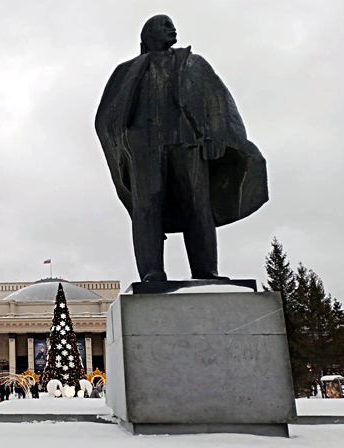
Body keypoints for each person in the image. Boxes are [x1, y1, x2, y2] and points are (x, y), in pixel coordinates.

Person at [95, 15, 268, 282]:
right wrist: (126, 143)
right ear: (147, 35)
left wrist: (218, 135)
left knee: (198, 206)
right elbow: (106, 116)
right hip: (144, 146)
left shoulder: (193, 64)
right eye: (163, 25)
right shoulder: (126, 71)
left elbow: (218, 100)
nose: (171, 28)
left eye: (171, 24)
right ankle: (152, 272)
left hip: (188, 143)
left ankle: (206, 271)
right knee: (147, 207)